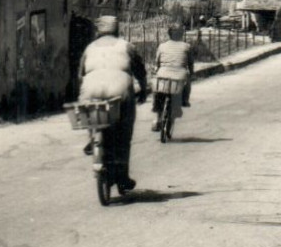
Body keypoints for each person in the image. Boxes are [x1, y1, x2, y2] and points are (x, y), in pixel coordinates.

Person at [77, 15, 147, 192]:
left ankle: (92, 137)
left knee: (92, 112)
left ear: (99, 30)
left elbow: (80, 74)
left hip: (91, 88)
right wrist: (143, 88)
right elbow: (139, 69)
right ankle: (122, 177)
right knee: (124, 132)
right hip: (119, 89)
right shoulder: (126, 46)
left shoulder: (89, 48)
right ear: (117, 29)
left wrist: (83, 91)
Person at [151, 25, 196, 131]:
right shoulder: (186, 46)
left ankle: (157, 119)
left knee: (158, 93)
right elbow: (190, 63)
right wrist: (192, 73)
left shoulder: (162, 46)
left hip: (163, 75)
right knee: (187, 82)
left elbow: (157, 62)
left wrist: (156, 69)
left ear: (169, 34)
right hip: (180, 76)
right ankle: (185, 100)